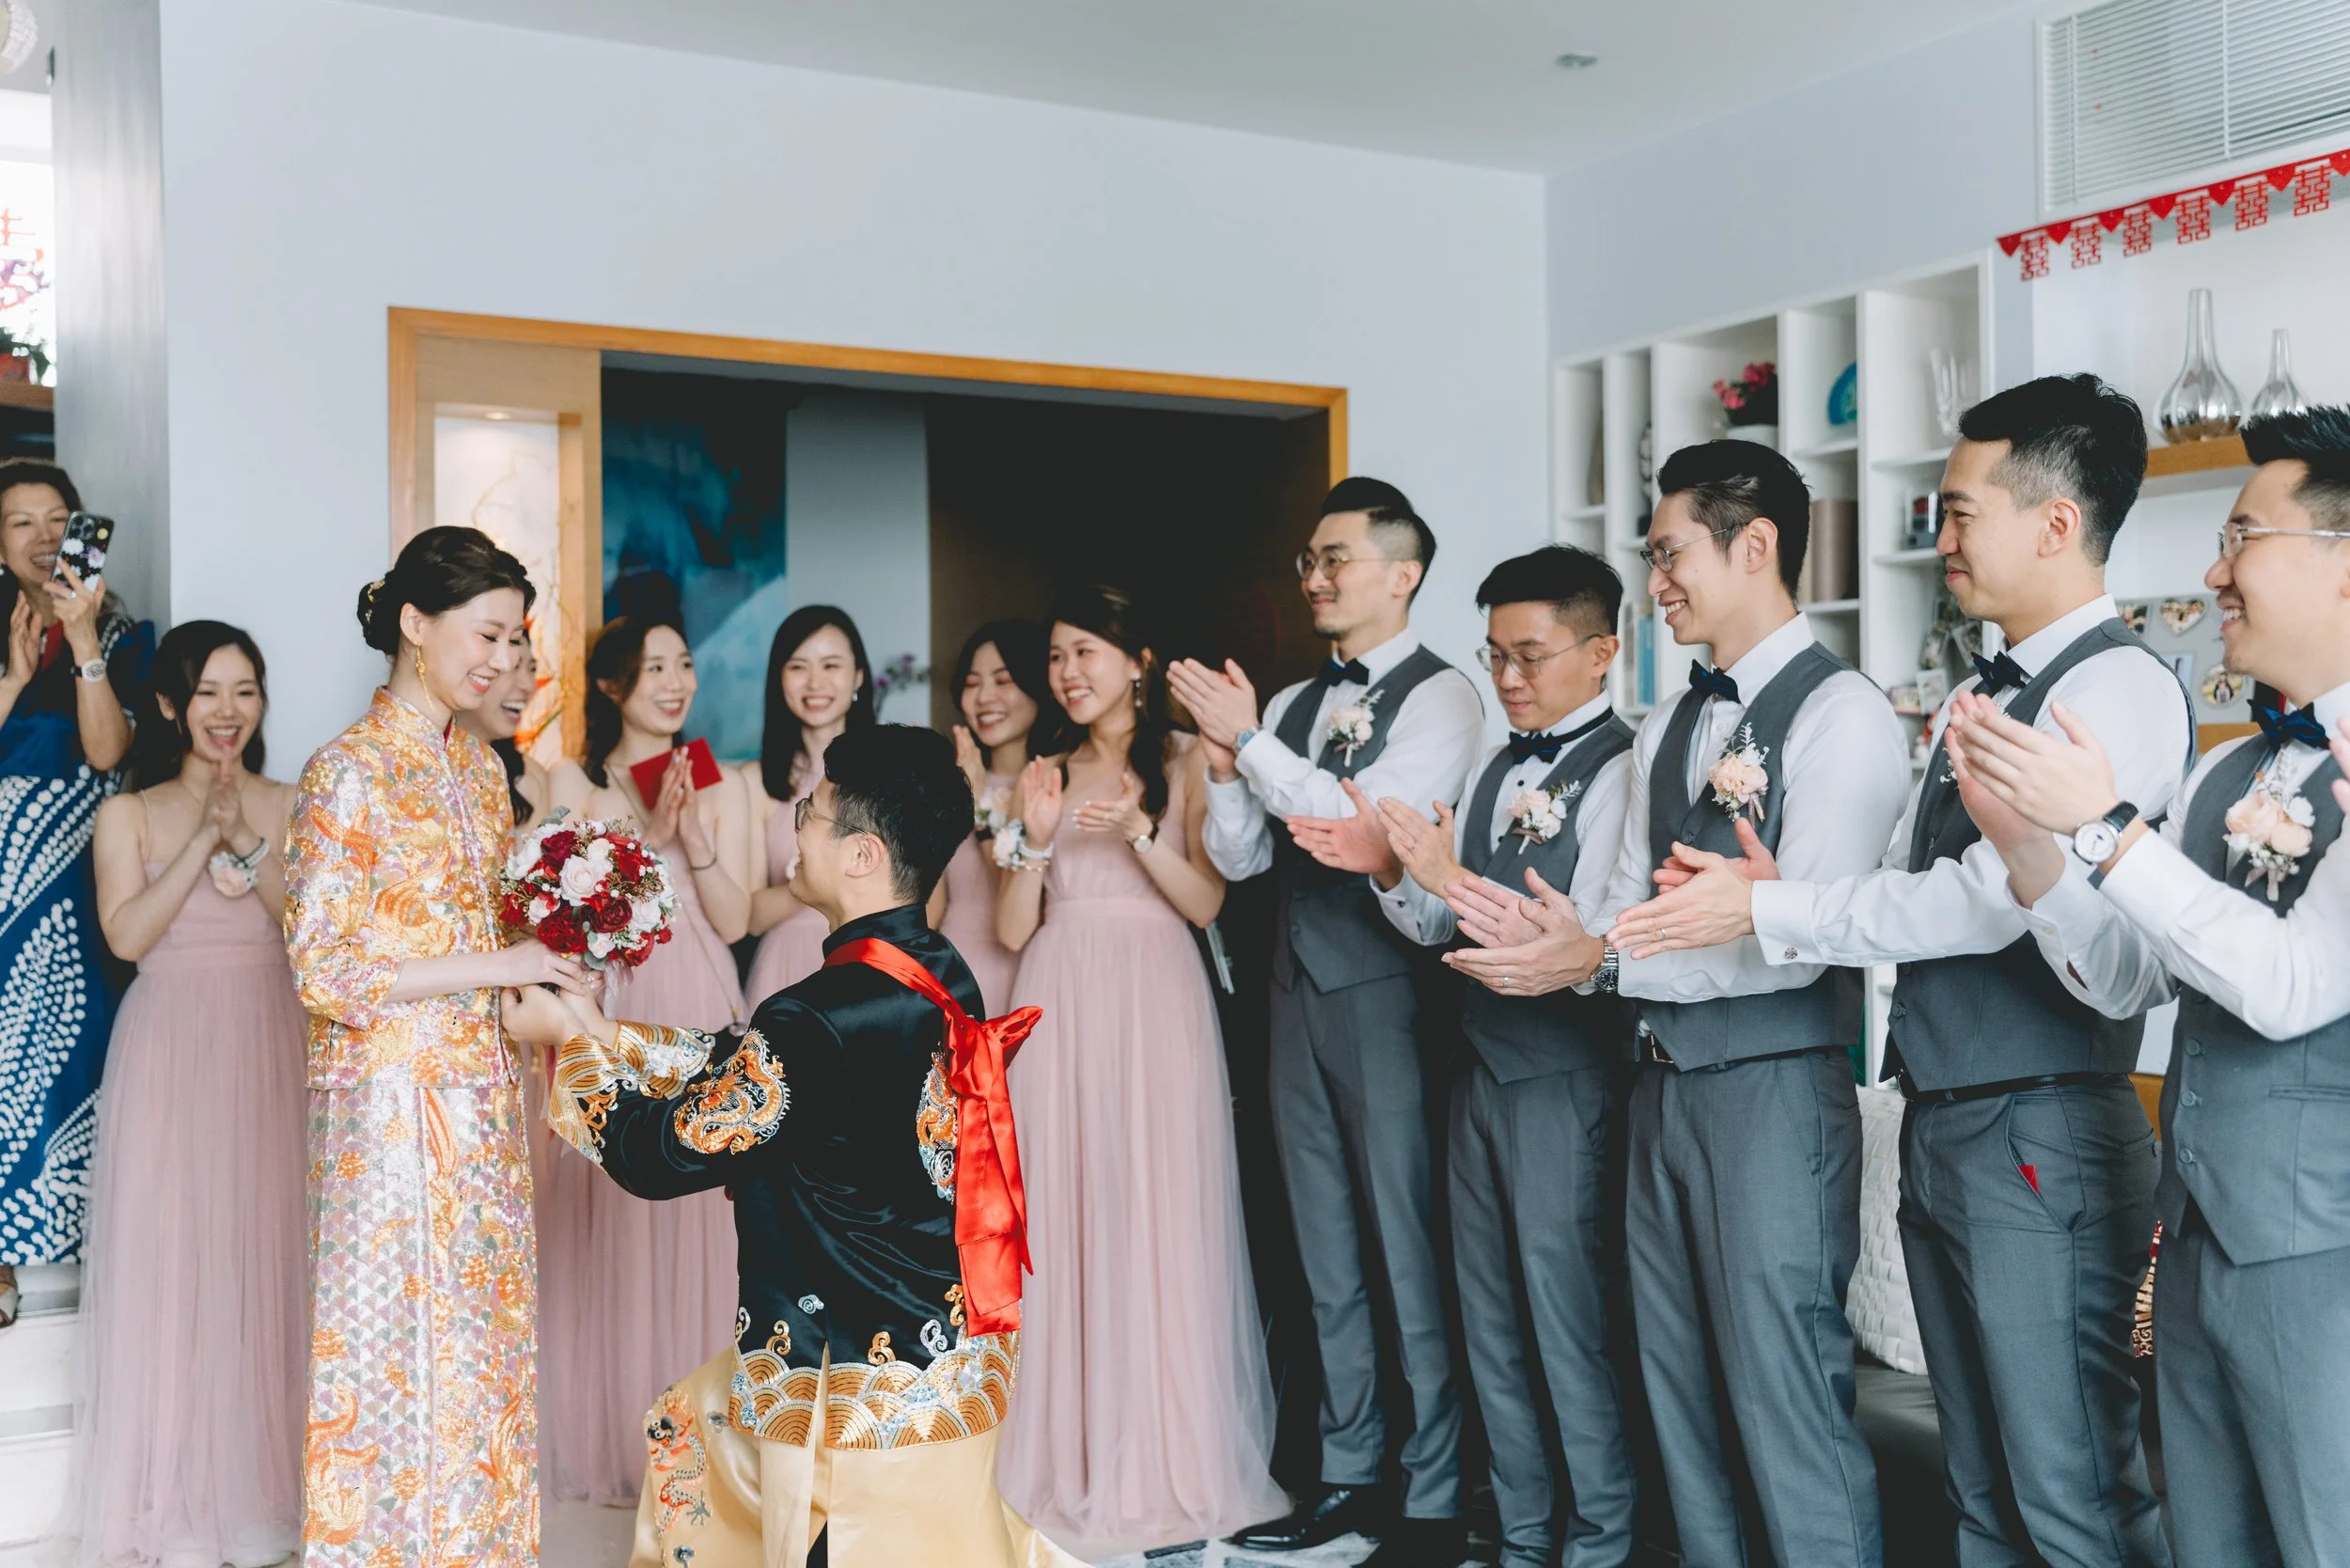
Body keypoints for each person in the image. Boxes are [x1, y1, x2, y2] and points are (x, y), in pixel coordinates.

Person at [1609, 376, 2185, 1568]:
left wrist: (1768, 904)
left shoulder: (2115, 688)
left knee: (2069, 1490)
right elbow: (1905, 879)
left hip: (2040, 1122)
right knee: (1982, 1489)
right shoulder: (1982, 687)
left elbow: (1982, 901)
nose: (1941, 536)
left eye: (1962, 511)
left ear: (2056, 523)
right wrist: (1786, 885)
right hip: (1950, 1116)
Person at [1445, 443, 1910, 1567]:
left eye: (1668, 554)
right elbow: (1619, 908)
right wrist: (1570, 944)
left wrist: (1598, 962)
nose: (1653, 581)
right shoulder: (1664, 726)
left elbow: (1805, 936)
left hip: (1770, 1094)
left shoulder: (1842, 713)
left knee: (1780, 1400)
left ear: (1754, 547)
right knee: (1680, 1398)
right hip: (1656, 1091)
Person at [498, 723, 1082, 1568]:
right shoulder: (936, 968)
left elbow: (654, 1156)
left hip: (855, 1386)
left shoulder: (817, 1015)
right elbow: (743, 1065)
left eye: (812, 812)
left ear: (862, 855)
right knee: (693, 1425)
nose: (797, 828)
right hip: (951, 1346)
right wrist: (596, 1029)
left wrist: (570, 1045)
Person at [1944, 404, 2350, 1567]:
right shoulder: (2230, 769)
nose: (2214, 574)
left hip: (2320, 1254)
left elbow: (2289, 986)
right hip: (2196, 1238)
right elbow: (2132, 979)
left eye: (2242, 539)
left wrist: (2107, 831)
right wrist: (2032, 852)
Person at [1290, 544, 1641, 1568]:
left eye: (1531, 655)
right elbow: (1435, 926)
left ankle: (1599, 1545)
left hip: (1564, 1079)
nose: (1509, 678)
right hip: (1476, 1072)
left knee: (1568, 1327)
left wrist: (1442, 874)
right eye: (1494, 656)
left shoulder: (1624, 768)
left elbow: (1584, 940)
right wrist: (1400, 876)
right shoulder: (1493, 764)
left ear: (1601, 652)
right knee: (1489, 1326)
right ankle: (1520, 1541)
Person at [1169, 477, 1482, 1563]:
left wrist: (1251, 742)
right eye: (1308, 558)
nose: (1314, 576)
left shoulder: (1444, 698)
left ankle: (1432, 1492)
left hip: (1390, 994)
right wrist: (1227, 768)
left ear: (1403, 574)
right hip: (1292, 991)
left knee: (1404, 1240)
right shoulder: (1296, 701)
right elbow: (1244, 856)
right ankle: (1348, 1472)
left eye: (1335, 557)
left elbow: (1366, 825)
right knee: (1324, 1243)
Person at [283, 525, 584, 1562]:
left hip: (485, 1109)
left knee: (482, 1355)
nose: (503, 660)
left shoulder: (486, 772)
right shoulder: (345, 772)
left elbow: (490, 945)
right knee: (390, 1362)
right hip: (387, 1116)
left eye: (515, 639)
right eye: (486, 634)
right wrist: (502, 962)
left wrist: (549, 970)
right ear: (415, 624)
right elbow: (324, 968)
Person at [990, 586, 1285, 1558]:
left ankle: (1161, 1457)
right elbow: (1011, 929)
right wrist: (1035, 841)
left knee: (1153, 1207)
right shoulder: (1041, 771)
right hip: (1058, 993)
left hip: (1156, 994)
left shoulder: (1184, 758)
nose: (1068, 673)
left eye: (1086, 652)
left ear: (1136, 662)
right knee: (1062, 1214)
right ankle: (1065, 1453)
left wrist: (1139, 836)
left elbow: (1205, 903)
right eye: (1057, 657)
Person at [74, 621, 306, 1566]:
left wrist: (246, 839)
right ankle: (178, 1496)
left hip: (270, 1036)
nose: (228, 710)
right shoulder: (128, 815)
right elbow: (127, 937)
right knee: (178, 1261)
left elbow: (313, 931)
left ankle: (263, 1492)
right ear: (171, 705)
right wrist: (202, 838)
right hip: (169, 1047)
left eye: (244, 690)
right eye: (208, 692)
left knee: (268, 1256)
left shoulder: (291, 802)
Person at [540, 612, 752, 1503]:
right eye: (653, 667)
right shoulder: (574, 781)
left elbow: (736, 919)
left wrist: (689, 840)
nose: (674, 683)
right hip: (617, 1001)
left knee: (701, 1212)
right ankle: (617, 1433)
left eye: (684, 664)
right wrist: (638, 834)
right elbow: (550, 905)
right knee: (612, 1210)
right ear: (612, 684)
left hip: (698, 993)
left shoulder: (720, 780)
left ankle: (704, 1444)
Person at [0, 459, 149, 1327]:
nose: (44, 536)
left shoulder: (123, 632)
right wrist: (14, 679)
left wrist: (83, 641)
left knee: (83, 1046)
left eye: (58, 517)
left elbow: (107, 754)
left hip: (80, 867)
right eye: (21, 521)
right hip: (5, 863)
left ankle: (95, 1249)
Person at [744, 606, 875, 1006]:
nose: (815, 682)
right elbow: (751, 916)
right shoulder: (754, 781)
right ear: (779, 679)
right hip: (783, 969)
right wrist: (821, 876)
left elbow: (928, 908)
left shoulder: (891, 773)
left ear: (858, 675)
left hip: (869, 965)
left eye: (831, 665)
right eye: (798, 667)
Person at [932, 619, 1048, 1015]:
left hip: (1033, 974)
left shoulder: (1056, 785)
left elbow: (1023, 901)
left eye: (1003, 681)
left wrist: (978, 804)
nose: (984, 697)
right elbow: (929, 910)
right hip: (955, 973)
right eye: (972, 683)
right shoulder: (945, 782)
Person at [459, 632, 551, 832]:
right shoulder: (418, 765)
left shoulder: (530, 779)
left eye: (532, 669)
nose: (529, 686)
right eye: (513, 667)